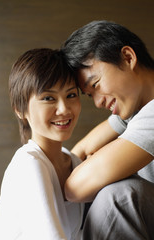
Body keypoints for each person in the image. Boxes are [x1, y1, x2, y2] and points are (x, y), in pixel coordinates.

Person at [61, 20, 154, 239]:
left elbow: (76, 187)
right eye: (90, 95)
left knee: (118, 197)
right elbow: (80, 151)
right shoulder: (135, 111)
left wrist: (105, 169)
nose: (98, 102)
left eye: (96, 85)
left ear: (128, 58)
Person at [0, 48, 84, 240]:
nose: (64, 109)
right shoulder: (28, 164)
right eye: (48, 98)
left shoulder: (75, 163)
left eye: (71, 95)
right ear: (20, 109)